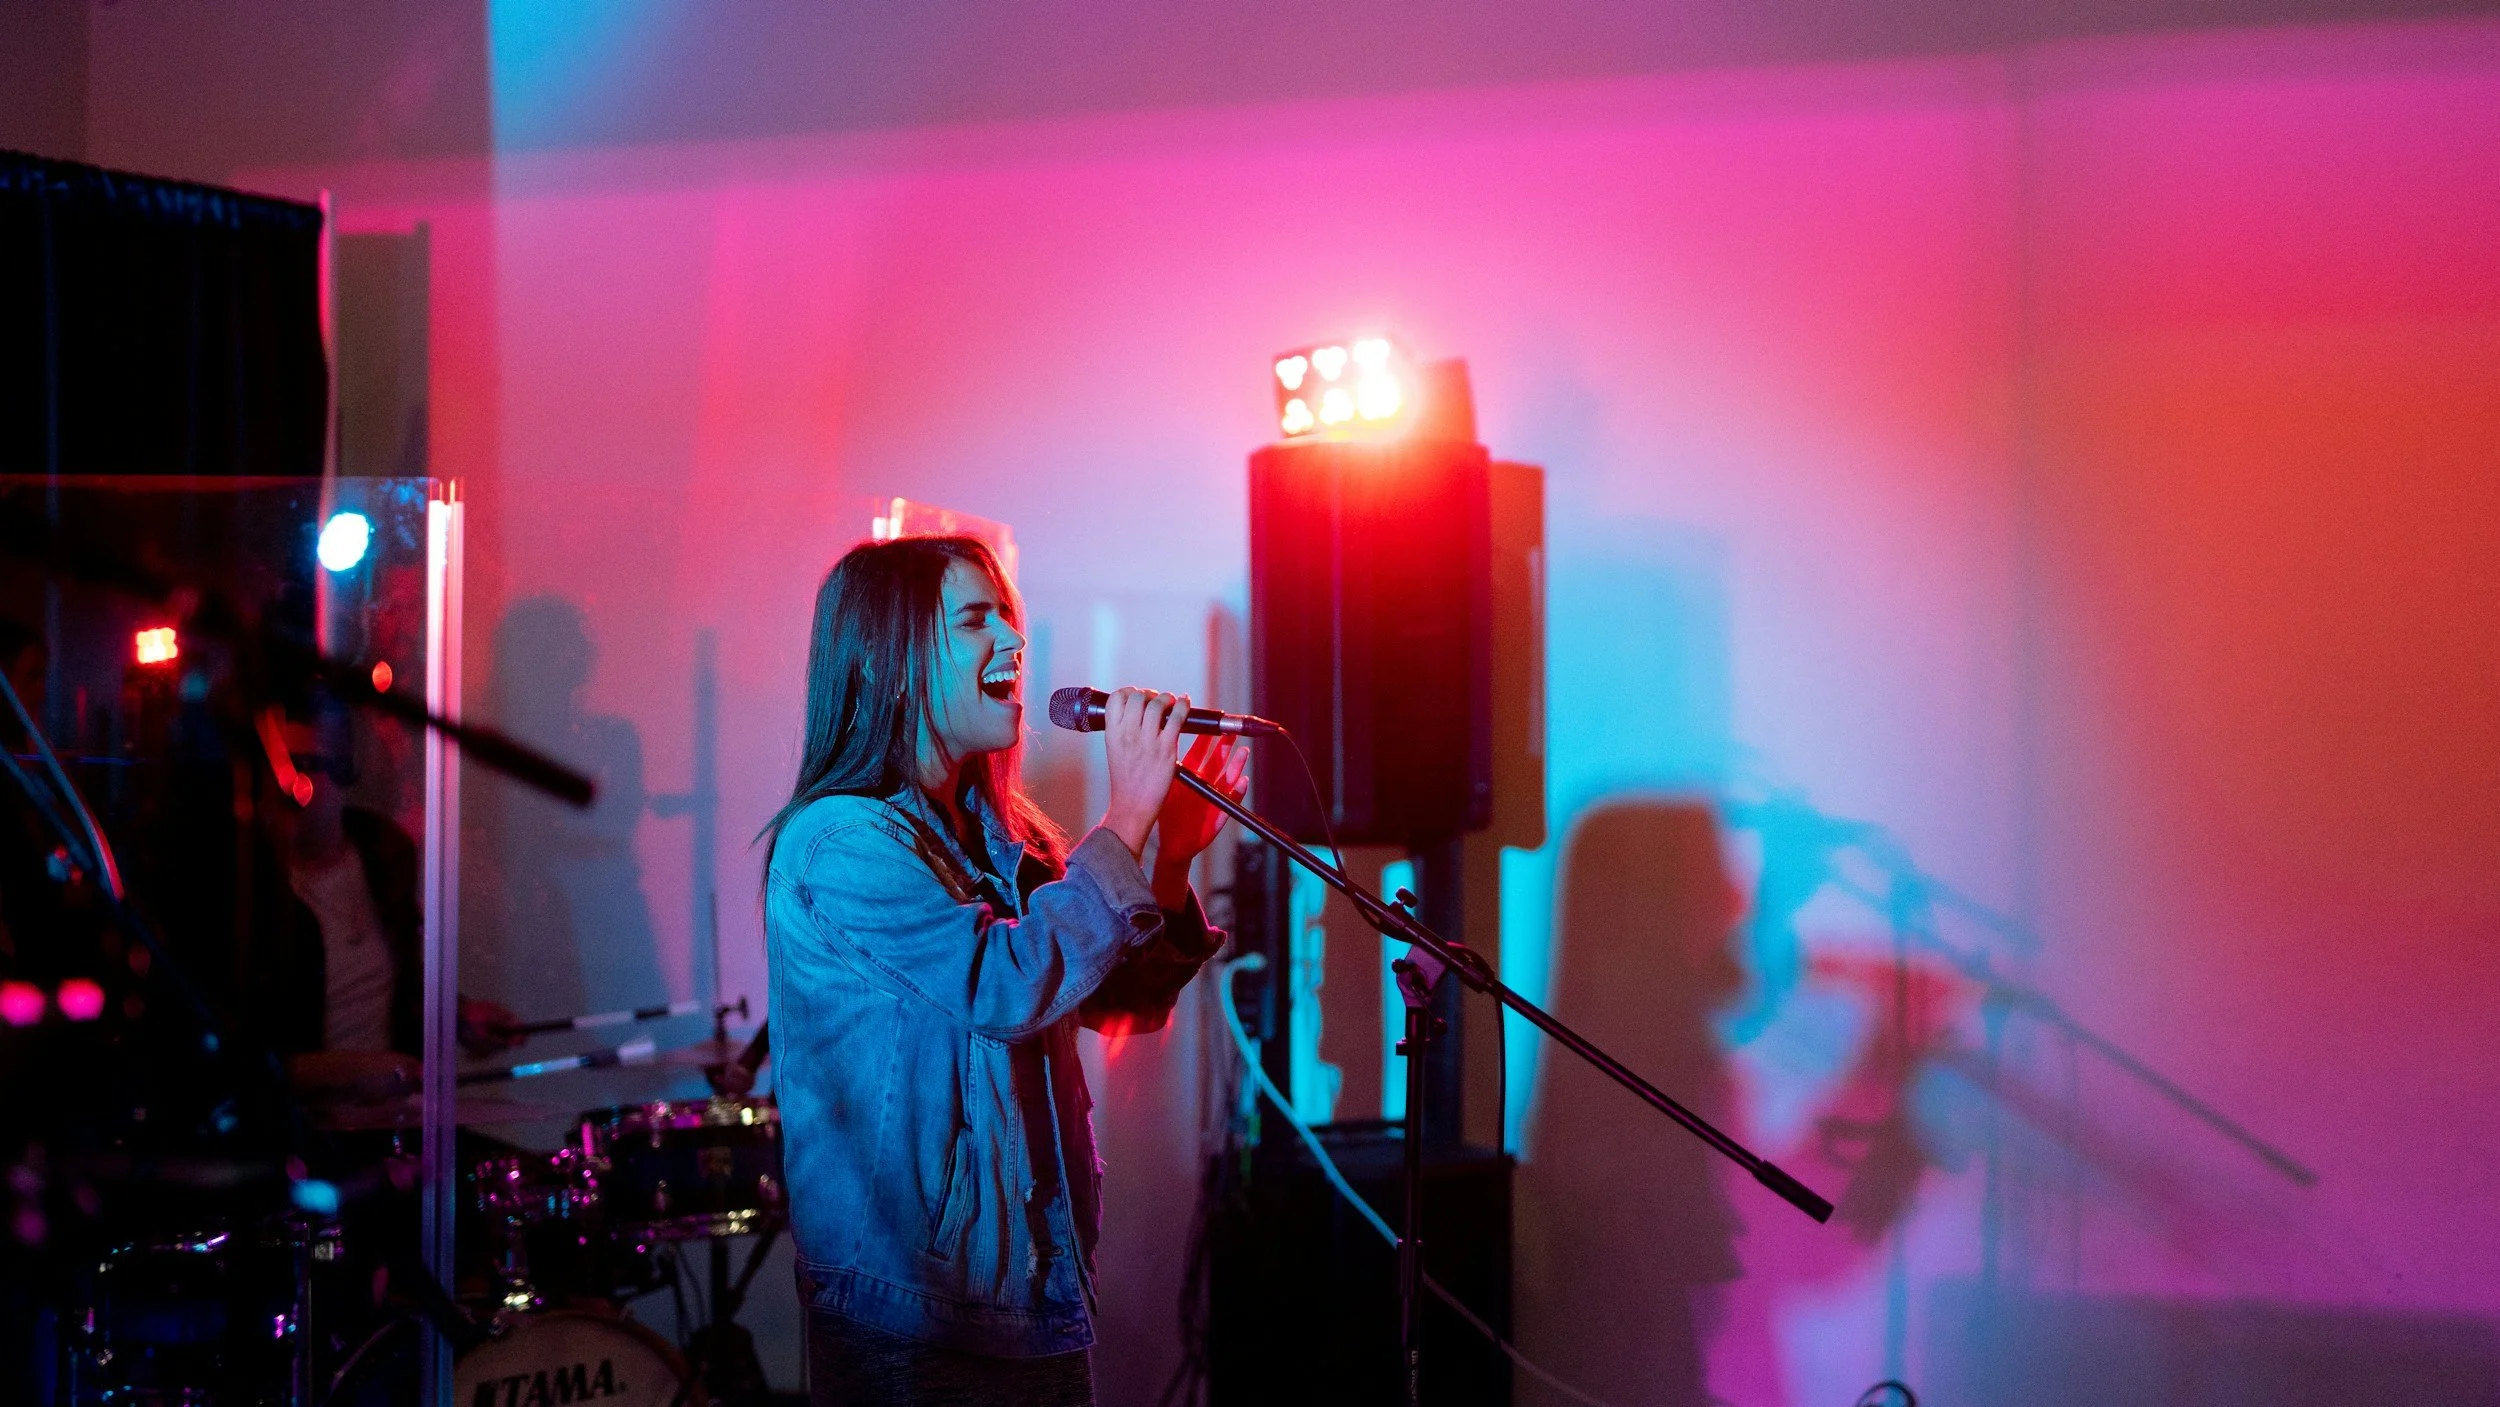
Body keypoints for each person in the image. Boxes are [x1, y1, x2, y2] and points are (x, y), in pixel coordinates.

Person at [763, 535, 1247, 1407]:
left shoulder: (1002, 836)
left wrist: (1168, 853)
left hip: (1032, 1289)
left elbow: (1121, 1001)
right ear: (888, 659)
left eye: (1011, 620)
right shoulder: (840, 843)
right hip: (912, 1312)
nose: (1017, 647)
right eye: (977, 621)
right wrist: (1125, 817)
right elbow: (1006, 987)